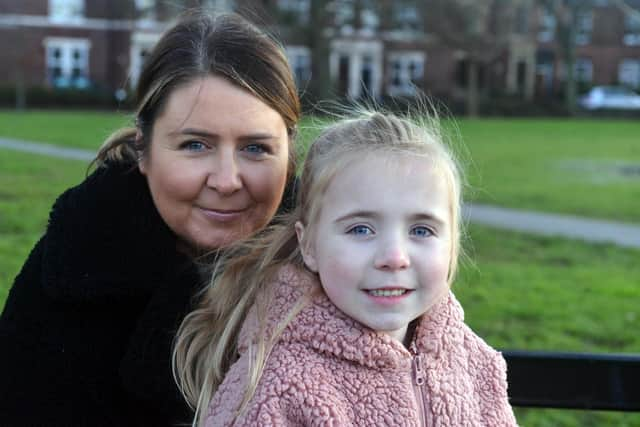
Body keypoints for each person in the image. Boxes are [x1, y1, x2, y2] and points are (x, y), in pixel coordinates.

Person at [0, 10, 300, 427]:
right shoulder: (71, 276)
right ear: (144, 150)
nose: (228, 180)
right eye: (196, 145)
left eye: (255, 148)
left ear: (288, 153)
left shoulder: (345, 267)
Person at [174, 109, 518, 426]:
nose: (395, 257)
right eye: (361, 229)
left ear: (452, 243)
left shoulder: (476, 364)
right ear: (309, 245)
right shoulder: (279, 387)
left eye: (421, 230)